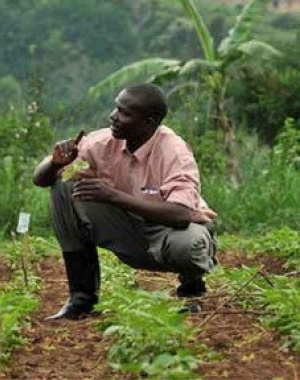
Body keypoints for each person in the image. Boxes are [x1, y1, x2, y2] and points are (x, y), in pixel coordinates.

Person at [33, 84, 217, 320]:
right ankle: (81, 300)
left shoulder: (173, 150)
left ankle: (192, 290)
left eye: (124, 113)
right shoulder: (103, 141)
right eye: (116, 107)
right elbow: (40, 179)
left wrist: (112, 195)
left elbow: (180, 214)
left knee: (189, 244)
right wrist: (55, 163)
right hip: (129, 229)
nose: (113, 116)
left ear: (148, 122)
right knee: (63, 188)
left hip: (168, 232)